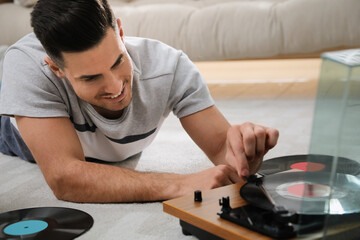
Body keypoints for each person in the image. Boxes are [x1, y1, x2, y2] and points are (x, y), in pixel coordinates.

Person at [0, 0, 278, 203]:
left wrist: (243, 154)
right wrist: (180, 184)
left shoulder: (170, 67)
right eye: (91, 78)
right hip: (16, 134)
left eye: (118, 61)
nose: (115, 87)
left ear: (121, 33)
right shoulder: (28, 66)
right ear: (56, 69)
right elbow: (65, 178)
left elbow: (221, 149)